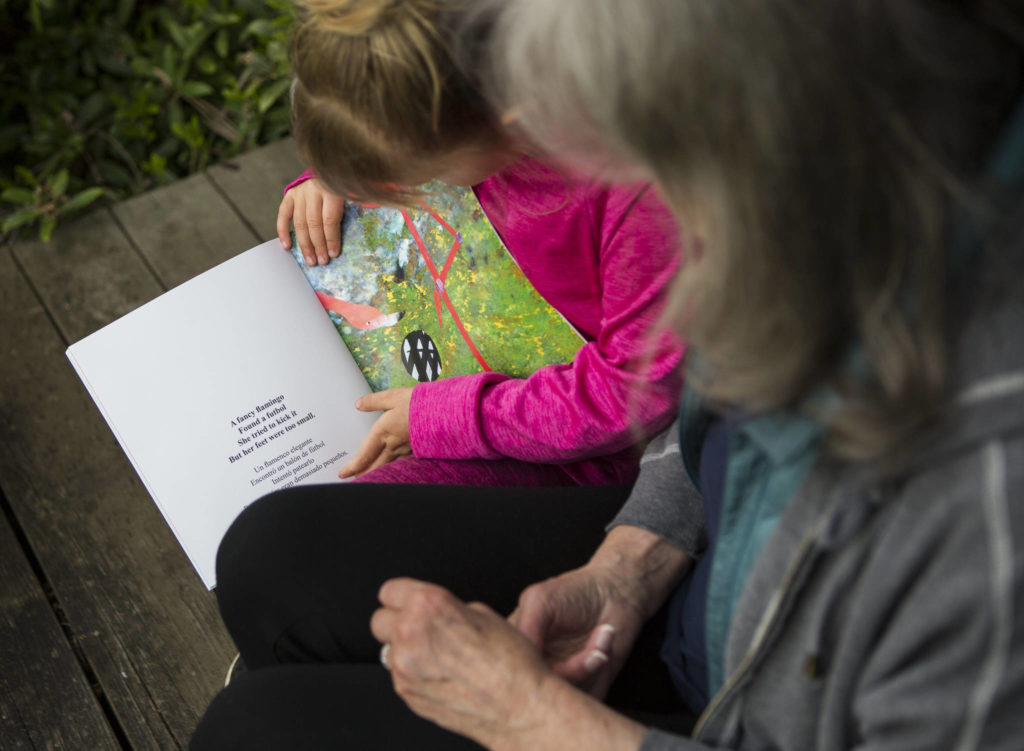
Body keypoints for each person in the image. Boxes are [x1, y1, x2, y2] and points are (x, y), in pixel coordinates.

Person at [190, 0, 1024, 749]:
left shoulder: (981, 506)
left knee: (249, 732)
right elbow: (711, 421)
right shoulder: (839, 200)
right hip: (698, 597)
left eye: (654, 164)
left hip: (736, 711)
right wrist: (629, 563)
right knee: (271, 557)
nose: (668, 232)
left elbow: (643, 387)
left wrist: (537, 722)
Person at [275, 0, 686, 486]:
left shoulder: (638, 193)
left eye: (419, 174)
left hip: (589, 457)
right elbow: (392, 110)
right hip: (476, 419)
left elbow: (633, 397)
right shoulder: (461, 107)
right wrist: (339, 168)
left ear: (502, 112)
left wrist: (446, 417)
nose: (403, 189)